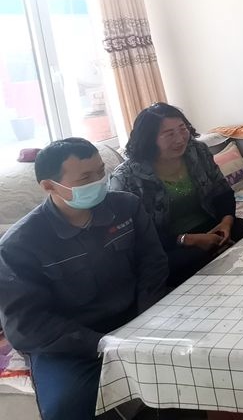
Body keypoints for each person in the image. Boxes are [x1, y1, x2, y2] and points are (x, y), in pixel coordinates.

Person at [0, 138, 168, 420]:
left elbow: (153, 263)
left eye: (101, 172)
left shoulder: (125, 206)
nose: (99, 182)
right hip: (68, 342)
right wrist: (100, 343)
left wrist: (146, 320)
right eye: (86, 178)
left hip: (137, 315)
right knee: (65, 406)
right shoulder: (19, 245)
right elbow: (27, 325)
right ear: (49, 186)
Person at [109, 103, 243, 286]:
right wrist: (188, 239)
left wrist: (226, 223)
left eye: (182, 129)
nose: (180, 139)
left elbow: (222, 192)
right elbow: (136, 235)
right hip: (168, 246)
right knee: (212, 269)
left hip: (214, 226)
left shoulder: (197, 151)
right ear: (149, 138)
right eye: (169, 134)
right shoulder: (126, 178)